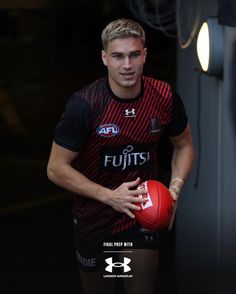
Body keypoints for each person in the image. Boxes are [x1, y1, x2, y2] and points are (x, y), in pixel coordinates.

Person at [47, 18, 194, 294]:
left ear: (144, 55)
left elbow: (184, 146)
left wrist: (174, 189)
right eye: (117, 56)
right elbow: (55, 168)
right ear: (104, 58)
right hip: (95, 218)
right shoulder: (85, 104)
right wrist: (109, 195)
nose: (127, 65)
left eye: (134, 55)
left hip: (139, 216)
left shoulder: (163, 96)